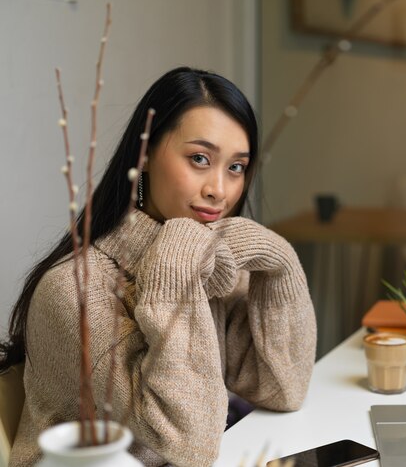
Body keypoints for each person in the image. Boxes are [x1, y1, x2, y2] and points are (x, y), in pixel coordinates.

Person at [1, 67, 317, 466]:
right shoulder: (77, 290)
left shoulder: (208, 263)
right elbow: (190, 445)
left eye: (236, 167)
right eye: (199, 158)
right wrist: (176, 266)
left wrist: (280, 263)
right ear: (145, 155)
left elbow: (283, 388)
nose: (219, 190)